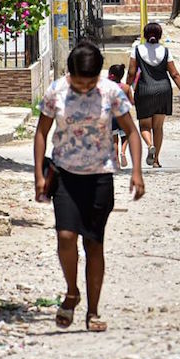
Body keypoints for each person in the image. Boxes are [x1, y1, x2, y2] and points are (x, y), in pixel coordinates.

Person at [33, 41, 144, 333]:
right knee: (66, 236)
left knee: (94, 243)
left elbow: (131, 132)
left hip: (100, 177)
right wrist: (38, 176)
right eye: (80, 82)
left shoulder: (111, 93)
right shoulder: (56, 92)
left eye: (90, 82)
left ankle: (93, 312)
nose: (85, 88)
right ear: (70, 75)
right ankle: (72, 292)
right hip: (65, 176)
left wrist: (136, 171)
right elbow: (41, 133)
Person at [127, 22, 180, 167]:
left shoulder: (137, 50)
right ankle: (156, 161)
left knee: (144, 125)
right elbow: (174, 74)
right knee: (158, 127)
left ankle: (150, 146)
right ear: (160, 35)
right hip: (164, 91)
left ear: (144, 34)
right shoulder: (165, 51)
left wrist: (127, 88)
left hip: (144, 90)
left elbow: (131, 73)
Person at [106, 64, 134, 167]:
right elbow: (131, 102)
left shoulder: (107, 87)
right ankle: (123, 152)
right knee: (126, 136)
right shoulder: (126, 88)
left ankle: (116, 160)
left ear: (111, 75)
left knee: (114, 139)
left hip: (111, 116)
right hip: (123, 115)